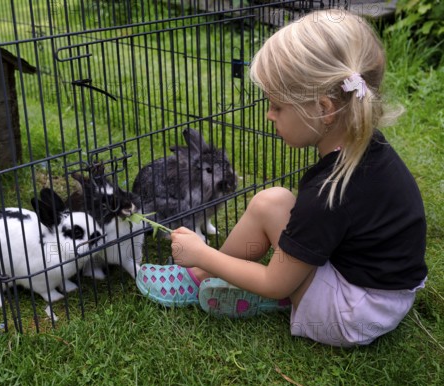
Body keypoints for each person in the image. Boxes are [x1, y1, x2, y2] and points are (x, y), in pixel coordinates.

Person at [136, 9, 428, 347]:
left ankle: (206, 271)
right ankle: (205, 276)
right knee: (270, 201)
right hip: (386, 296)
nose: (269, 114)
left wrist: (201, 252)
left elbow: (275, 279)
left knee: (275, 271)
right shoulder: (367, 148)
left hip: (354, 315)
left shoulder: (327, 193)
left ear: (324, 109)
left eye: (277, 106)